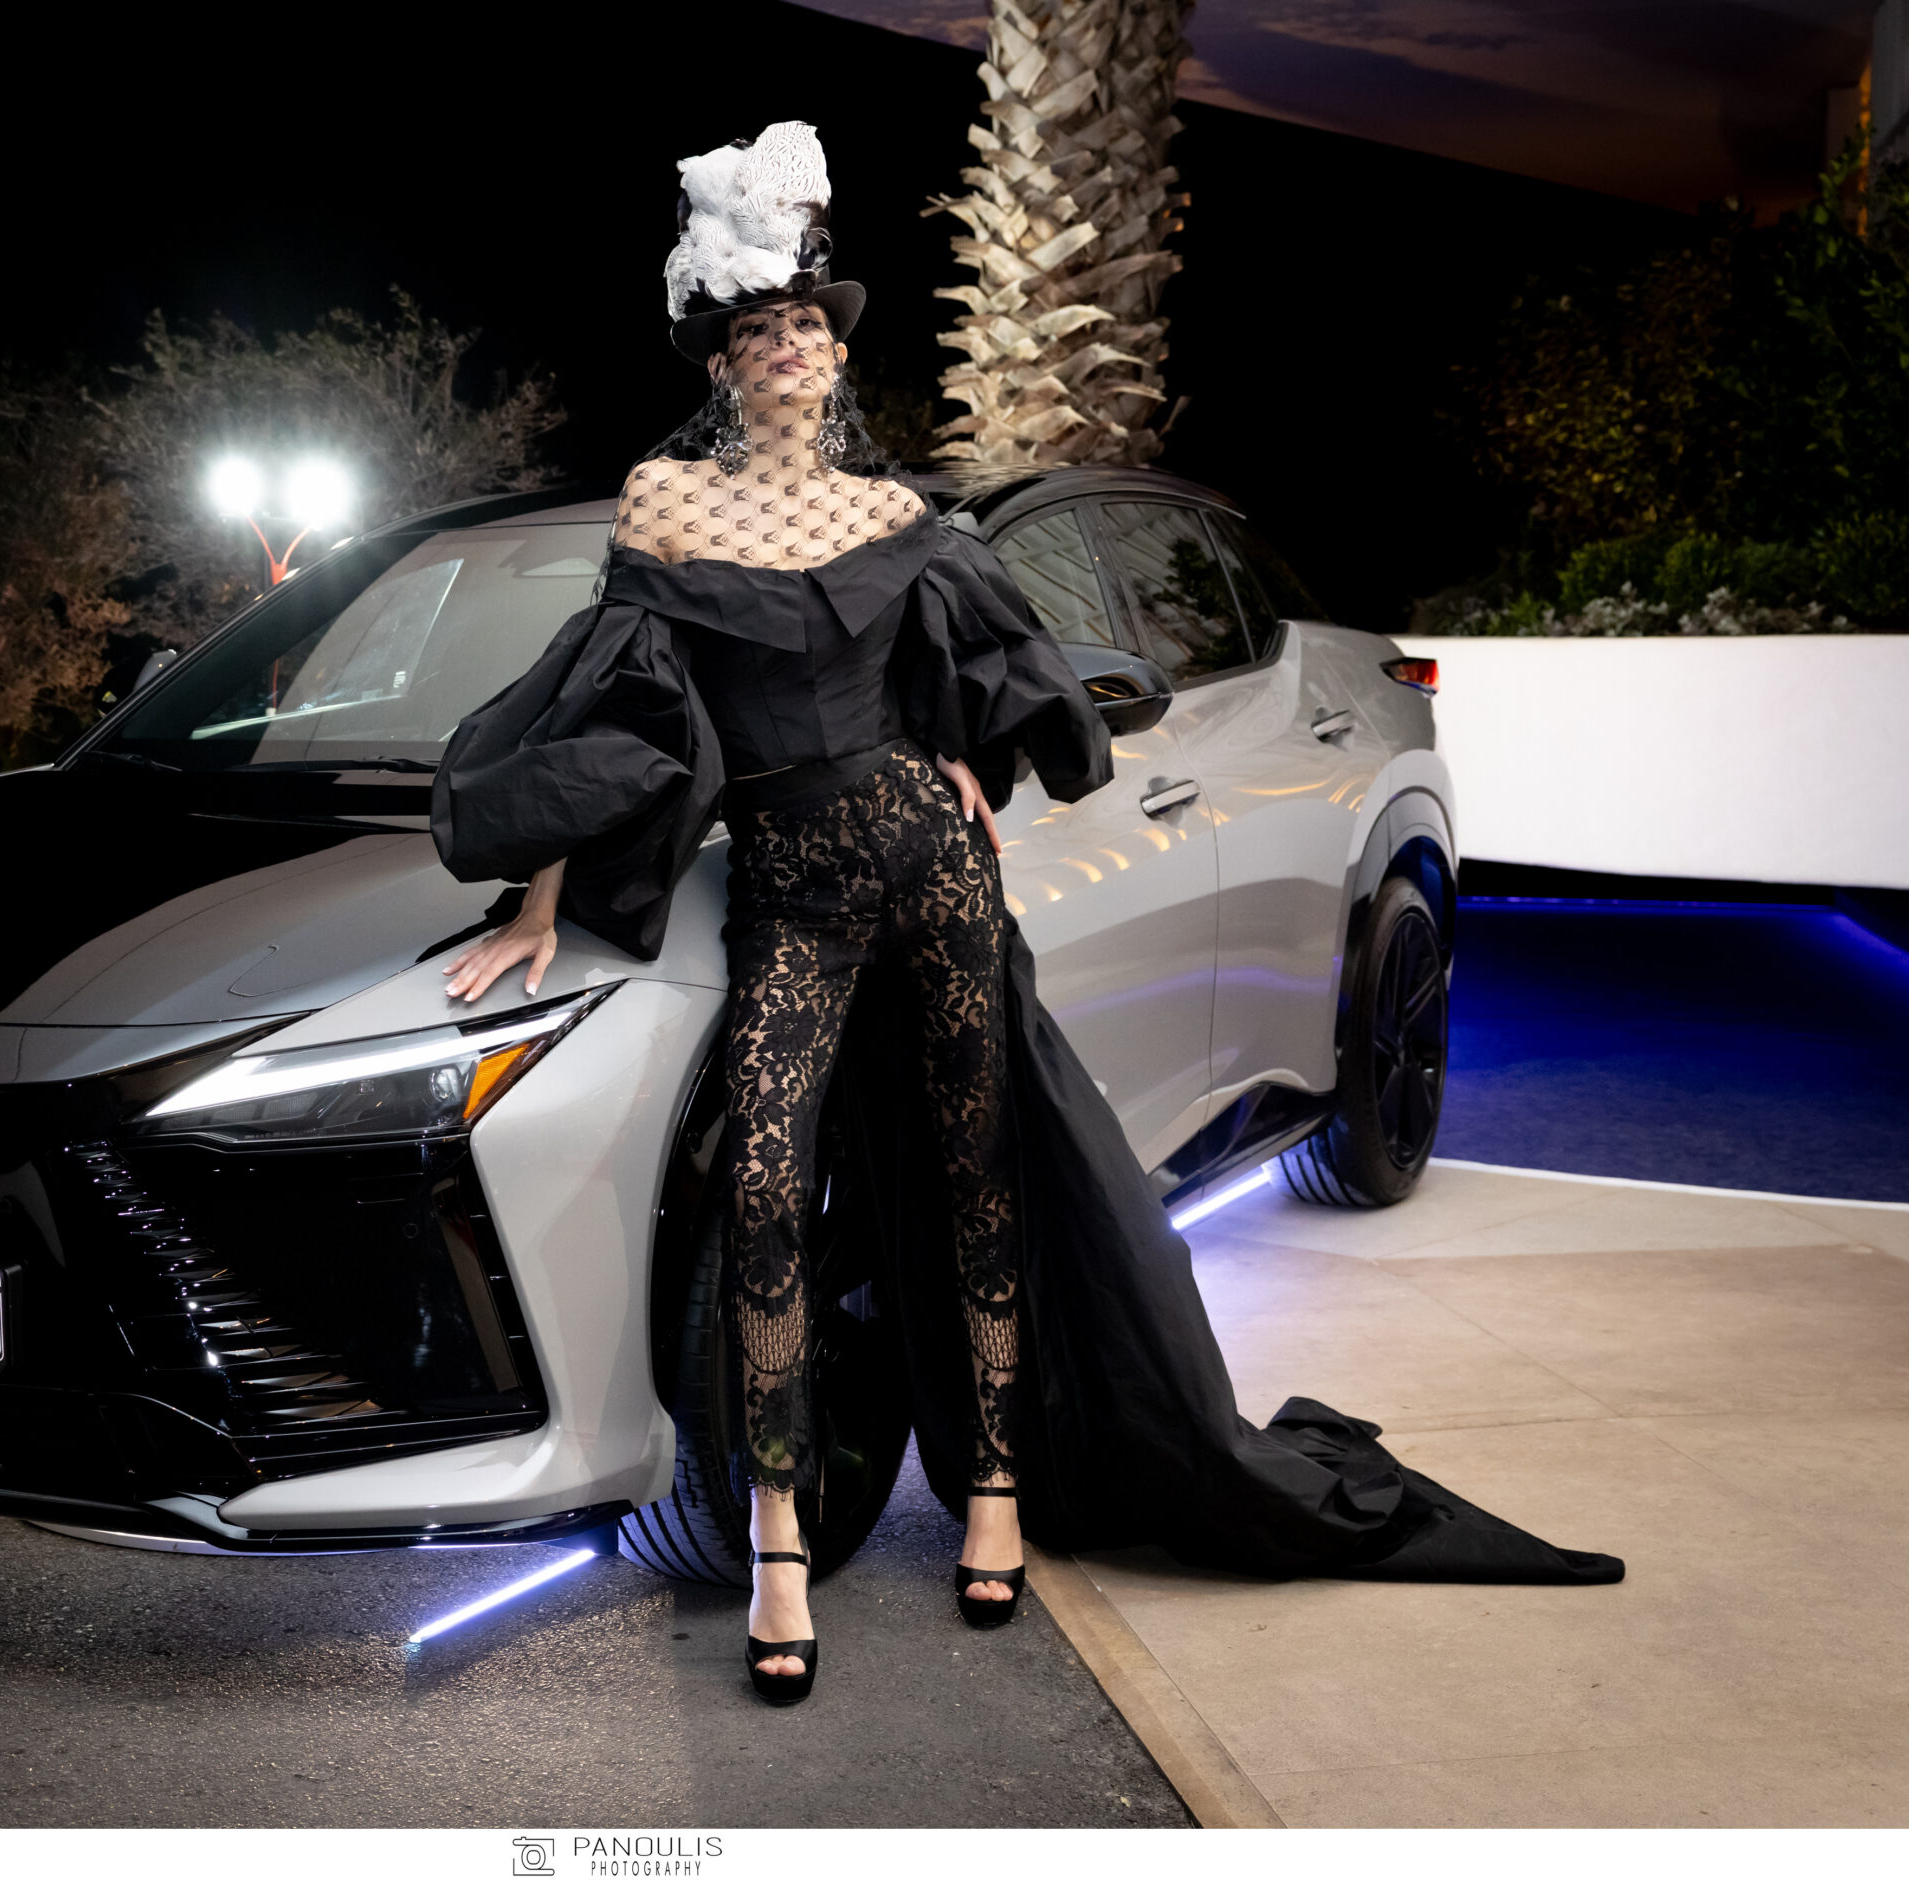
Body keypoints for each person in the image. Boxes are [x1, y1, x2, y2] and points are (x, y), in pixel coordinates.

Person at [430, 124, 1620, 1707]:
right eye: (759, 330)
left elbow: (983, 668)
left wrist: (960, 755)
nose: (790, 349)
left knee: (979, 1174)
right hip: (790, 891)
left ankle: (991, 1487)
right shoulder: (665, 507)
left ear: (831, 352)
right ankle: (779, 1538)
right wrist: (540, 898)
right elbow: (620, 723)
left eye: (808, 327)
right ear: (718, 362)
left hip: (937, 871)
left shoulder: (891, 511)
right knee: (767, 1194)